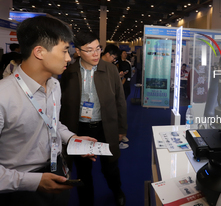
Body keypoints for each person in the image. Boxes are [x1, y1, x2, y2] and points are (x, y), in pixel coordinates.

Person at [0, 16, 96, 206]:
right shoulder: (4, 95)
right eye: (64, 51)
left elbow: (52, 122)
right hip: (20, 188)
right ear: (39, 52)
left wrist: (71, 138)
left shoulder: (54, 85)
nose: (69, 58)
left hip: (57, 171)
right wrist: (33, 182)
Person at [60, 32, 128, 206]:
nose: (96, 54)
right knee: (83, 171)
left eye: (98, 48)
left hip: (105, 127)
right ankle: (86, 201)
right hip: (80, 129)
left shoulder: (110, 69)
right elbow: (63, 104)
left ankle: (117, 191)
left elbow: (120, 101)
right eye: (89, 50)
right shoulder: (69, 72)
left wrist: (121, 129)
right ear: (78, 51)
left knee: (110, 167)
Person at [101, 44, 129, 149]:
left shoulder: (111, 68)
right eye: (113, 58)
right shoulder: (98, 66)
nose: (114, 60)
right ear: (108, 54)